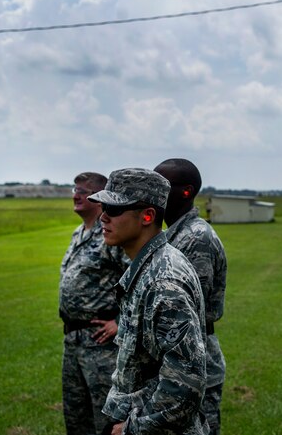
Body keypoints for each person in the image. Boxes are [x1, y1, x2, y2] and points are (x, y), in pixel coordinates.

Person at [89, 168, 208, 435]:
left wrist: (130, 429)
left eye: (114, 208)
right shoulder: (150, 267)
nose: (103, 216)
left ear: (147, 216)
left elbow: (185, 384)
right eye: (103, 207)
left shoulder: (163, 281)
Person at [154, 158, 227, 435]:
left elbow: (190, 309)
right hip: (177, 360)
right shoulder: (172, 235)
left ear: (186, 191)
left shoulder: (196, 237)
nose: (154, 193)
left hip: (194, 366)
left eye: (162, 186)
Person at [59, 172, 130, 435]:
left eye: (83, 191)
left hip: (100, 345)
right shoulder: (79, 233)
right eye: (74, 189)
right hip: (73, 341)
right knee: (76, 418)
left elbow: (137, 279)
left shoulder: (110, 235)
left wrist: (120, 323)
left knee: (105, 419)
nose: (76, 195)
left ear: (99, 198)